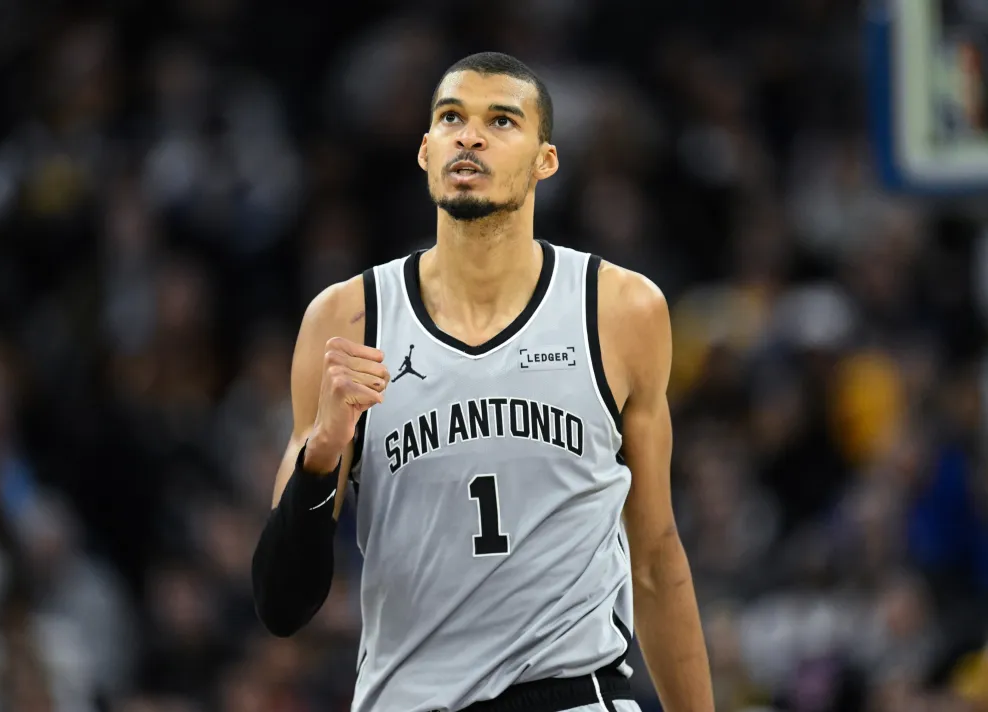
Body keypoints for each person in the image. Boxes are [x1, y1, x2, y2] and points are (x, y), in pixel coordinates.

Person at [251, 51, 714, 712]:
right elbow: (280, 605)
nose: (469, 136)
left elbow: (656, 558)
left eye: (500, 121)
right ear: (425, 151)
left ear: (545, 161)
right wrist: (321, 455)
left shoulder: (618, 310)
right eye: (451, 118)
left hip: (573, 696)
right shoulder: (348, 319)